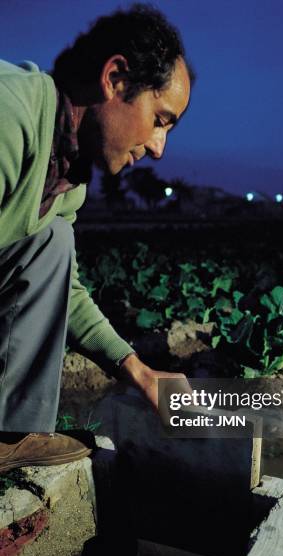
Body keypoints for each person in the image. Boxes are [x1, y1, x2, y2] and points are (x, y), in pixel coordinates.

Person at [0, 4, 194, 468]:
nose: (158, 148)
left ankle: (6, 435)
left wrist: (140, 373)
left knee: (53, 245)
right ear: (116, 79)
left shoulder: (67, 178)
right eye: (161, 119)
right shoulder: (11, 117)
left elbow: (57, 287)